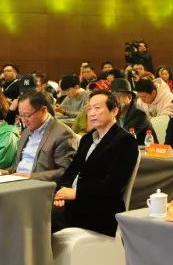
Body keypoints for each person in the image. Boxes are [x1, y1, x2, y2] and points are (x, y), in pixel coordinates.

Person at [52, 91, 140, 235]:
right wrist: (62, 191)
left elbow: (113, 186)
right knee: (36, 208)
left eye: (97, 108)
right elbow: (71, 170)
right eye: (89, 109)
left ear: (114, 111)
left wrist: (77, 193)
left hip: (99, 209)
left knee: (42, 216)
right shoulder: (87, 139)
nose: (92, 113)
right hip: (73, 201)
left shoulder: (125, 141)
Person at [7, 91, 78, 181]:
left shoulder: (63, 134)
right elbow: (20, 165)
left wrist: (31, 176)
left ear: (43, 110)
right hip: (17, 180)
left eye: (27, 115)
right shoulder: (27, 130)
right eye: (21, 115)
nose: (24, 120)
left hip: (39, 185)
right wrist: (6, 172)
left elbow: (65, 171)